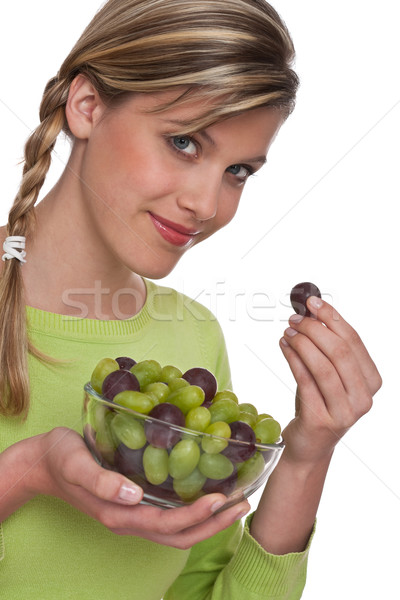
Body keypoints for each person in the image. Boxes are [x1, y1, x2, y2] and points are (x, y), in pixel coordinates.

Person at [0, 0, 381, 598]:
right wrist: (25, 473)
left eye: (238, 171)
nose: (208, 204)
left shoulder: (191, 336)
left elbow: (201, 592)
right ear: (88, 106)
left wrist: (307, 456)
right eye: (182, 142)